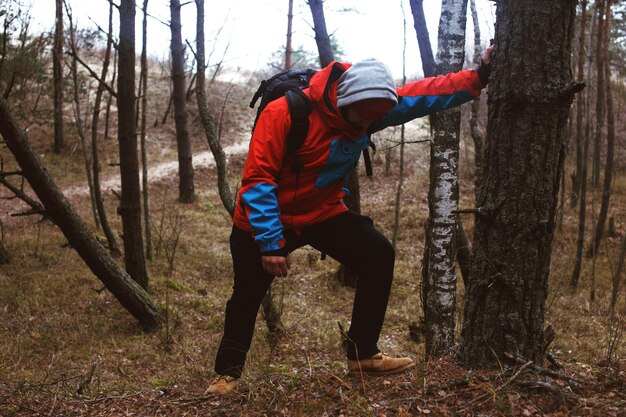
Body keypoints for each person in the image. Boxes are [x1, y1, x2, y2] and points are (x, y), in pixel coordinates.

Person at [206, 45, 494, 395]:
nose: (365, 127)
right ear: (344, 102)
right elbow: (257, 181)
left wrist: (479, 76)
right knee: (247, 295)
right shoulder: (285, 113)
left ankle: (362, 353)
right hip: (262, 218)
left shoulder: (373, 107)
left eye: (372, 120)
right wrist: (270, 243)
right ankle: (227, 375)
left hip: (321, 212)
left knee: (378, 253)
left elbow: (424, 94)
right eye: (360, 120)